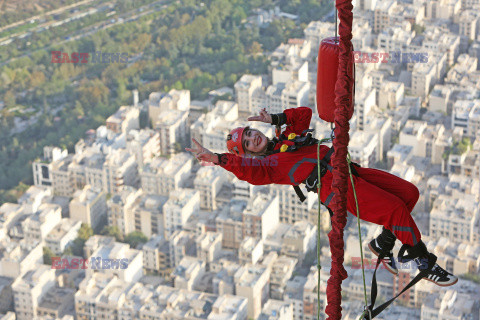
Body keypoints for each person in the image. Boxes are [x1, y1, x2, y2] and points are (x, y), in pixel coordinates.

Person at [186, 106, 457, 286]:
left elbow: (304, 113)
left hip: (350, 171)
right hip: (338, 187)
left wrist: (275, 119)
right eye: (246, 143)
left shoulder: (285, 139)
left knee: (409, 193)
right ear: (247, 154)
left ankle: (383, 243)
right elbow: (247, 172)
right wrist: (218, 159)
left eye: (249, 133)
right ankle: (423, 260)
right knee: (396, 210)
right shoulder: (267, 166)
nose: (252, 137)